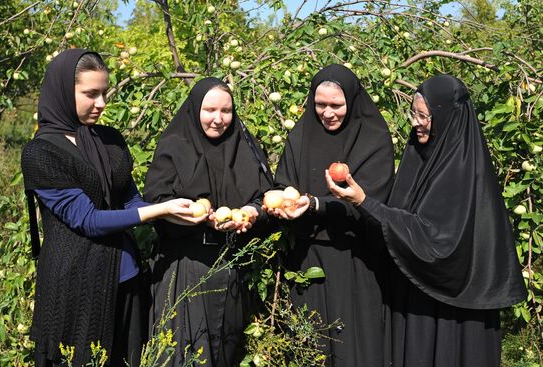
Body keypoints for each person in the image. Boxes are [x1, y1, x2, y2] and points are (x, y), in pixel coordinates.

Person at [20, 49, 206, 367]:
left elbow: (131, 201)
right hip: (77, 284)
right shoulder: (42, 152)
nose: (101, 103)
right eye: (90, 94)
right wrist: (158, 211)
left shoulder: (109, 139)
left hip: (126, 277)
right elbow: (86, 219)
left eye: (104, 92)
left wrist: (173, 211)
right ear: (64, 92)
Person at [326, 74, 527, 366]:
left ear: (447, 118)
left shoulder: (465, 172)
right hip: (418, 300)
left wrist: (364, 202)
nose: (416, 123)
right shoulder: (417, 159)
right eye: (413, 114)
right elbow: (401, 222)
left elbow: (436, 242)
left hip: (454, 310)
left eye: (424, 116)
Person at [267, 64, 395, 366]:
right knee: (311, 348)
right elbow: (284, 183)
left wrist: (316, 205)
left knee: (354, 348)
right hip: (306, 258)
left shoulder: (373, 139)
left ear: (351, 101)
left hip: (356, 260)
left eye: (336, 105)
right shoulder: (301, 135)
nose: (327, 112)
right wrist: (283, 202)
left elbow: (374, 201)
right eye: (320, 104)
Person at [143, 77, 273, 367]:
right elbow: (155, 203)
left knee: (225, 354)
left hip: (232, 270)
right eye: (210, 110)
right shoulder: (174, 146)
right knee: (183, 355)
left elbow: (266, 198)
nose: (218, 119)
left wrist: (251, 214)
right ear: (194, 110)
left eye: (226, 111)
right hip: (185, 268)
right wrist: (198, 219)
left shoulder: (243, 145)